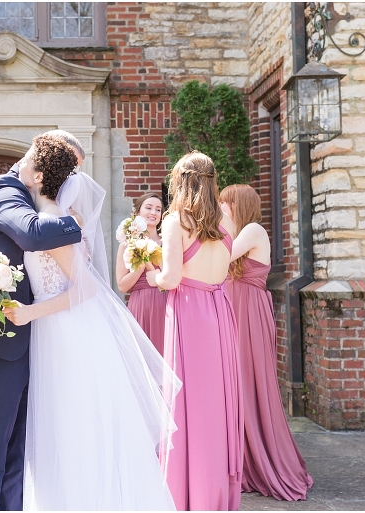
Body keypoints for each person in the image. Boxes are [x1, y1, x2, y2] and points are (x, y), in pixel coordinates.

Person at [3, 135, 179, 510]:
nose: (21, 165)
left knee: (73, 424)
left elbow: (84, 290)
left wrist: (30, 312)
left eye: (28, 161)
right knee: (58, 426)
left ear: (40, 176)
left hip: (67, 329)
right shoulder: (47, 218)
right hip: (53, 330)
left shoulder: (51, 222)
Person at [0, 133, 83, 511]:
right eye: (63, 171)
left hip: (34, 338)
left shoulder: (35, 196)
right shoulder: (5, 190)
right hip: (1, 342)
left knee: (18, 450)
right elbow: (32, 234)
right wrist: (78, 224)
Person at [145, 151, 244, 510]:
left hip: (189, 313)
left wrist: (152, 274)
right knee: (216, 404)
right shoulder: (226, 223)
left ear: (179, 181)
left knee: (190, 404)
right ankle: (214, 490)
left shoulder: (176, 221)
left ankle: (189, 493)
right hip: (220, 312)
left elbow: (171, 278)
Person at [220, 184, 313, 501]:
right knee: (233, 384)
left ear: (240, 204)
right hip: (233, 308)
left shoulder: (253, 230)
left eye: (225, 202)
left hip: (250, 312)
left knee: (252, 380)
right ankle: (240, 459)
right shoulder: (236, 230)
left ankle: (265, 459)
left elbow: (223, 254)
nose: (221, 206)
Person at [115, 192, 169, 355]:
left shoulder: (167, 242)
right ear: (138, 212)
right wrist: (140, 263)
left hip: (165, 302)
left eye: (158, 209)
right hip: (140, 304)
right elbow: (122, 285)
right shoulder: (127, 244)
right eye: (149, 208)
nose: (153, 212)